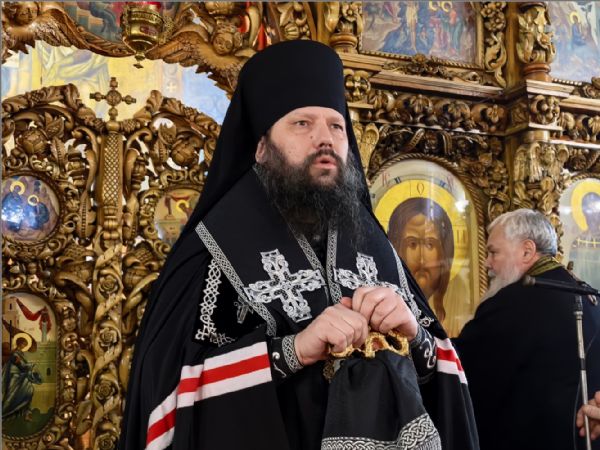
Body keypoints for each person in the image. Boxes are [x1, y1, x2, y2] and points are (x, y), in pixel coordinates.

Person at [120, 40, 479, 450]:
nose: (325, 139)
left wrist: (414, 335)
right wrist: (291, 352)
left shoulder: (371, 241)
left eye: (336, 126)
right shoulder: (214, 247)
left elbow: (446, 385)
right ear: (261, 147)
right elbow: (167, 401)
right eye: (302, 124)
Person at [454, 209, 600, 450]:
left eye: (493, 252)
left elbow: (461, 368)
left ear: (527, 251)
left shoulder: (513, 302)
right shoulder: (588, 295)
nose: (487, 263)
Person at [388, 197, 453, 322]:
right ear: (396, 246)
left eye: (430, 244)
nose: (422, 260)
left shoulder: (459, 306)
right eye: (412, 244)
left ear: (444, 252)